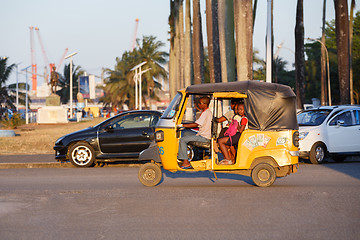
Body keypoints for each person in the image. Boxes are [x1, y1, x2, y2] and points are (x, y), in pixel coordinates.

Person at [178, 96, 212, 169]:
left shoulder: (206, 113)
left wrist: (182, 125)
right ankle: (182, 152)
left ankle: (186, 162)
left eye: (200, 103)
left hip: (204, 138)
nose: (198, 105)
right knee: (185, 134)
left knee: (182, 140)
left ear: (204, 104)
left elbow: (196, 124)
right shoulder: (205, 112)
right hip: (201, 134)